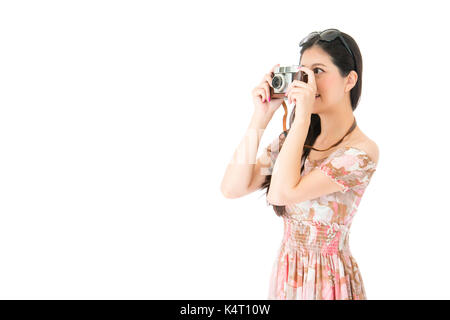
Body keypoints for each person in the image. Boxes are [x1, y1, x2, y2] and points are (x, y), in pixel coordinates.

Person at [220, 28, 379, 300]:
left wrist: (302, 117)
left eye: (318, 71)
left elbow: (282, 193)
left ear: (349, 80)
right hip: (288, 276)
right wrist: (261, 116)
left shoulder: (361, 152)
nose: (308, 82)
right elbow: (232, 188)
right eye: (303, 72)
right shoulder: (296, 142)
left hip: (329, 281)